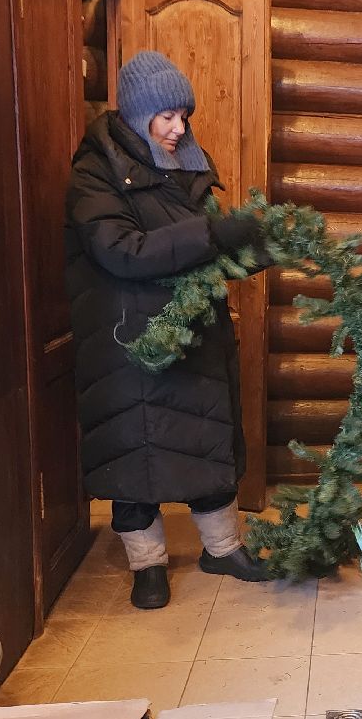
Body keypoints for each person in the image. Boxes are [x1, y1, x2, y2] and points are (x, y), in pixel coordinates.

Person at [65, 51, 271, 609]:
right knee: (135, 449)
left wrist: (255, 246)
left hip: (194, 334)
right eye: (167, 117)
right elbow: (122, 251)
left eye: (184, 116)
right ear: (136, 116)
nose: (179, 129)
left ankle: (222, 549)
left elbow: (209, 249)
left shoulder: (189, 166)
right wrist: (216, 234)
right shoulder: (96, 171)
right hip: (131, 340)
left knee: (206, 435)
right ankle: (148, 566)